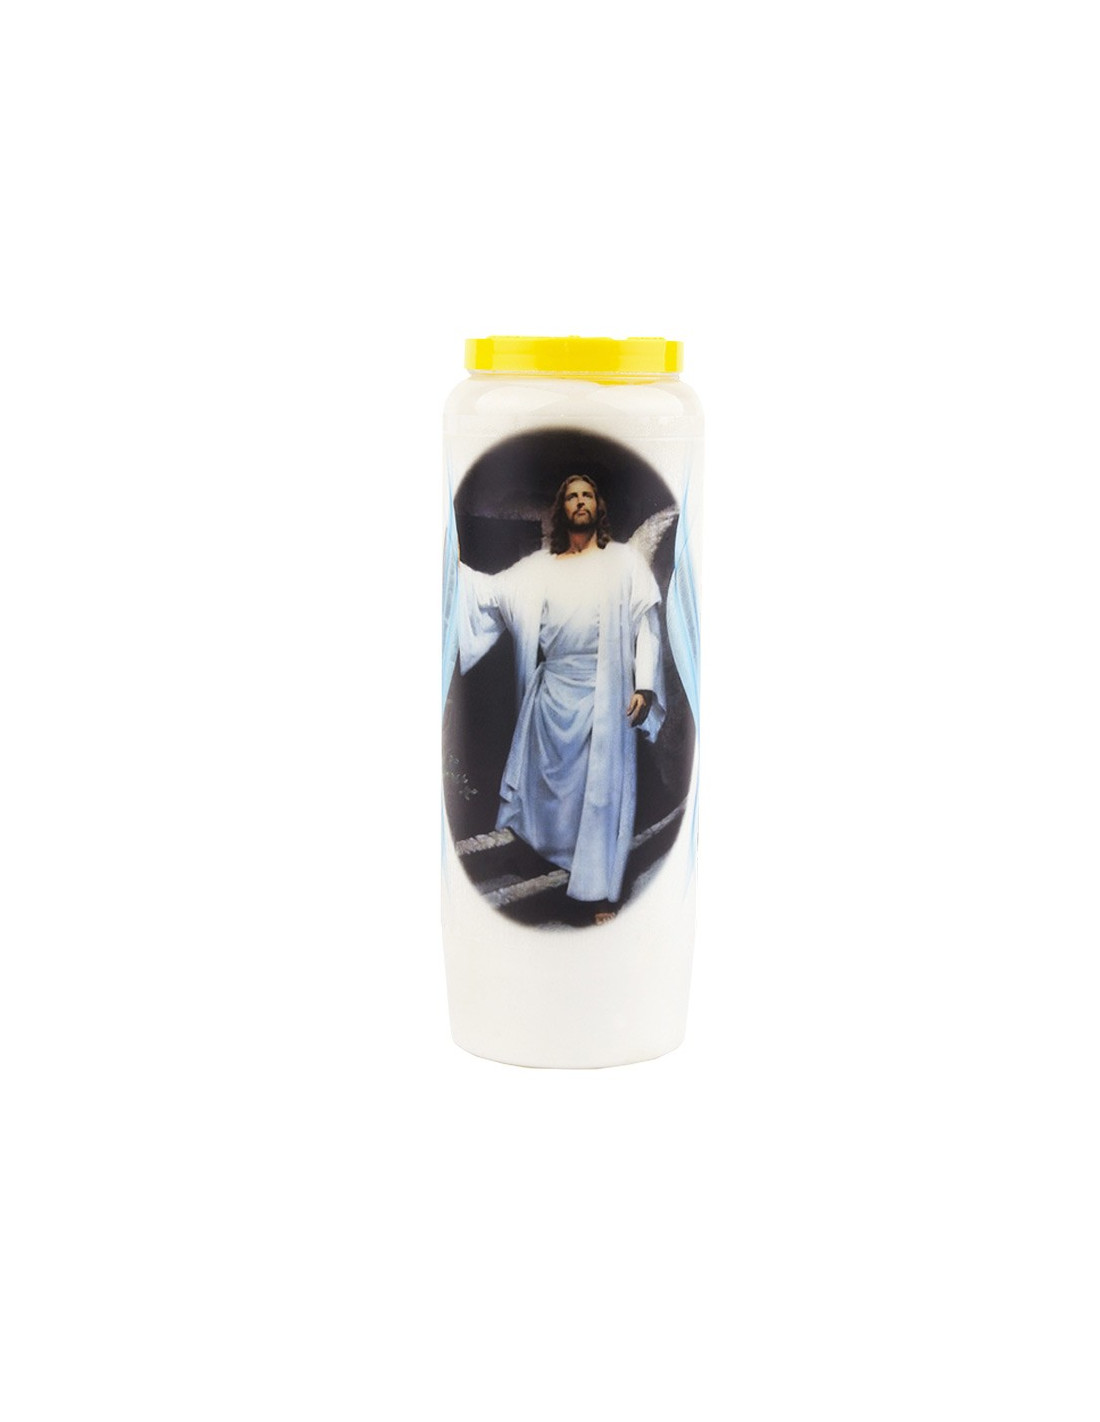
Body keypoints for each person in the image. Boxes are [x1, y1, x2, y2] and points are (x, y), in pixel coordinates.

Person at [456, 474, 665, 924]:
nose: (580, 501)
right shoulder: (541, 568)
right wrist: (446, 567)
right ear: (562, 509)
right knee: (548, 801)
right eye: (572, 496)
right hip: (551, 698)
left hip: (603, 697)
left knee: (600, 798)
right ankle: (552, 868)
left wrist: (645, 685)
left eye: (587, 495)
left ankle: (599, 891)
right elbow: (488, 593)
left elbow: (645, 622)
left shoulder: (623, 561)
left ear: (598, 506)